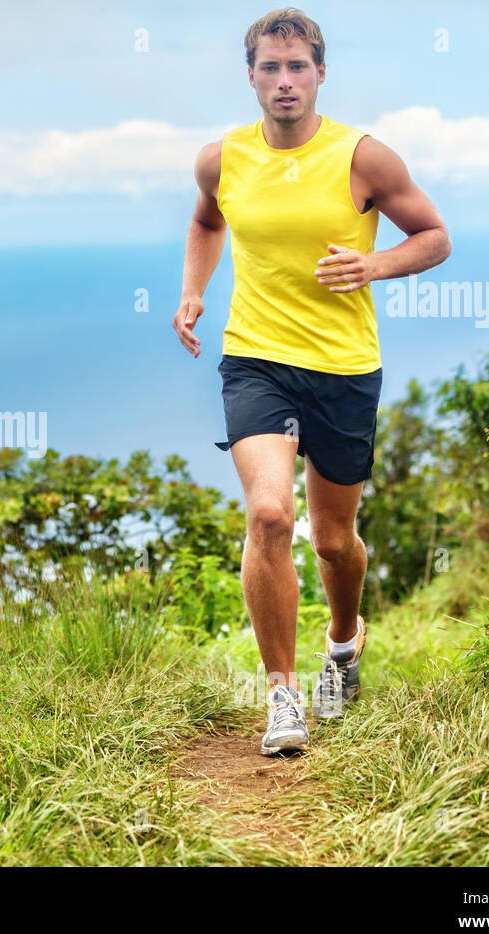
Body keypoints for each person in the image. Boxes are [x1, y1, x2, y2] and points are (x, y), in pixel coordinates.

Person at [173, 8, 450, 755]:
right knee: (268, 515)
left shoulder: (364, 157)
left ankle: (344, 638)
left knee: (333, 543)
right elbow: (206, 223)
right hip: (255, 359)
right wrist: (194, 290)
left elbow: (434, 236)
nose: (285, 80)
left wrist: (374, 264)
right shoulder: (222, 159)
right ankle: (283, 696)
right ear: (252, 76)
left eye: (298, 67)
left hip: (344, 368)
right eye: (271, 67)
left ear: (321, 72)